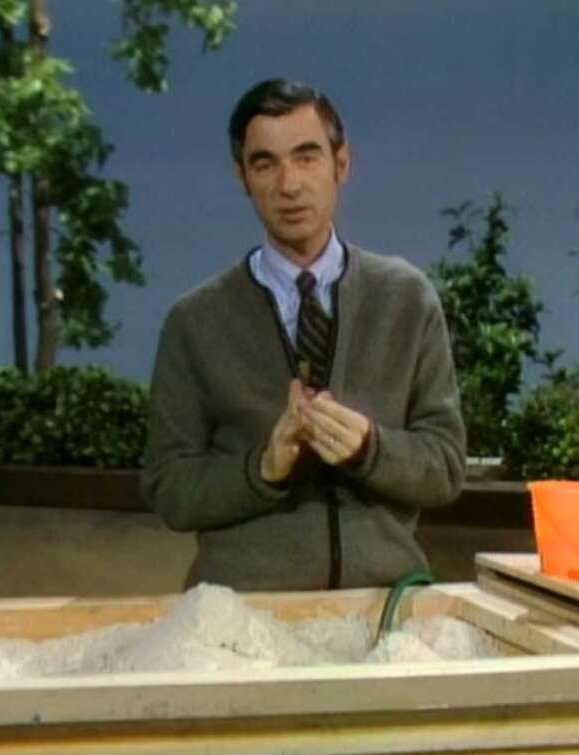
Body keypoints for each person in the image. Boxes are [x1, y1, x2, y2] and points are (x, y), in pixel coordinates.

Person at [142, 79, 466, 591]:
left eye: (307, 157)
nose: (288, 184)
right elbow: (169, 488)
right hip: (239, 616)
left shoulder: (406, 299)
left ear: (342, 164)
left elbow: (446, 466)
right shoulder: (195, 322)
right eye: (265, 163)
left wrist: (369, 448)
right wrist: (263, 469)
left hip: (382, 609)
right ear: (242, 177)